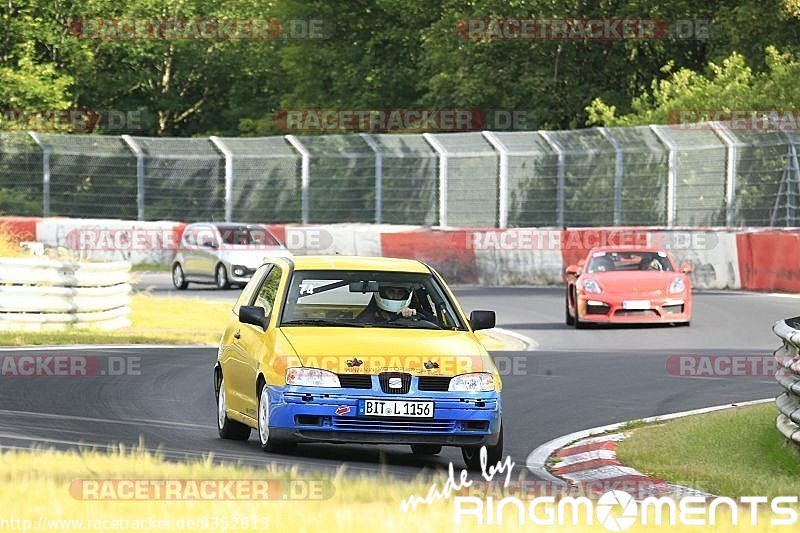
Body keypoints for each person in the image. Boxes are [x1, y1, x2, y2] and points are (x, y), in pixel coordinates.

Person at [357, 283, 428, 324]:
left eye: (400, 292)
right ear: (383, 293)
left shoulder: (410, 315)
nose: (395, 296)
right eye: (391, 292)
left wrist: (413, 317)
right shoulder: (368, 318)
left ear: (406, 295)